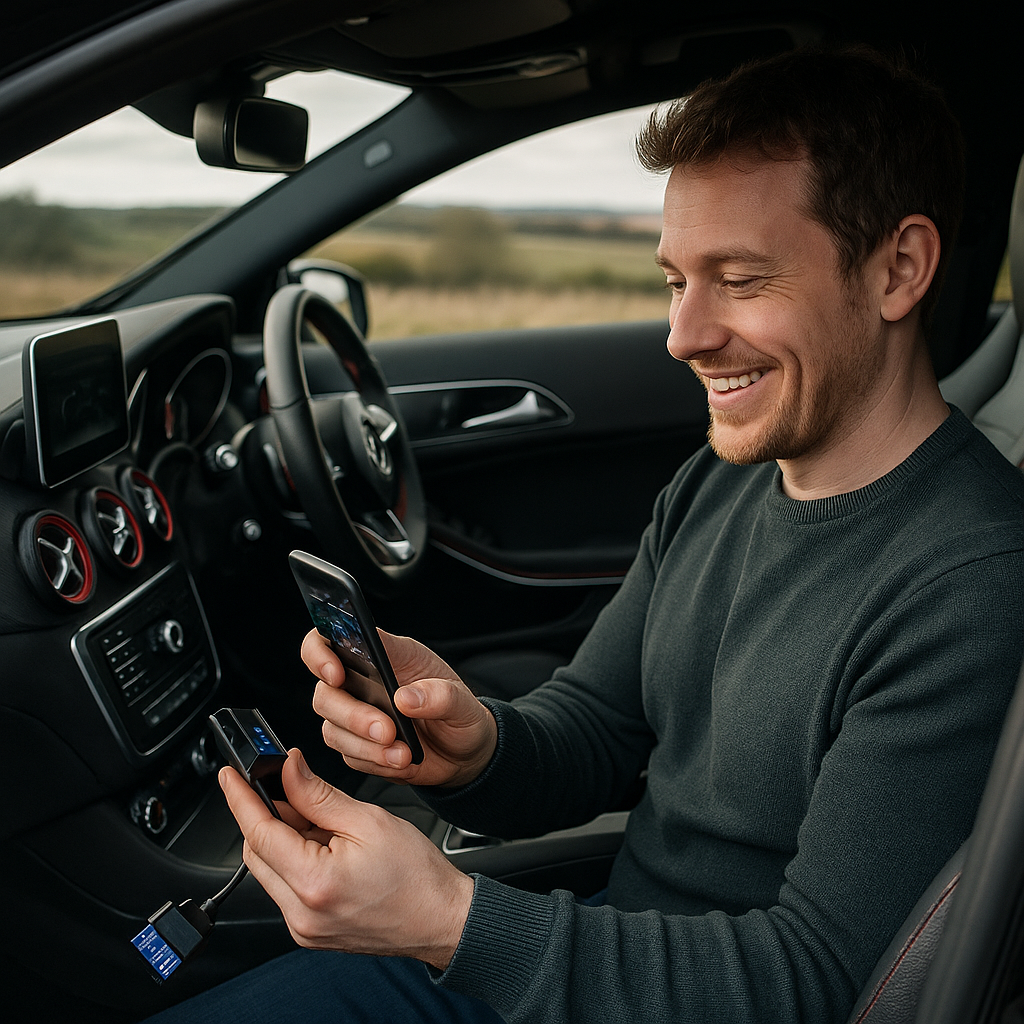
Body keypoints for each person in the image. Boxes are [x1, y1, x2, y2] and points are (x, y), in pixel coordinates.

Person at [147, 46, 1024, 1023]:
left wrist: (448, 918)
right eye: (673, 281)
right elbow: (601, 726)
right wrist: (477, 747)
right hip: (604, 957)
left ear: (897, 268)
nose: (683, 335)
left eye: (738, 279)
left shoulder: (971, 585)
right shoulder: (722, 483)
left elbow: (816, 985)